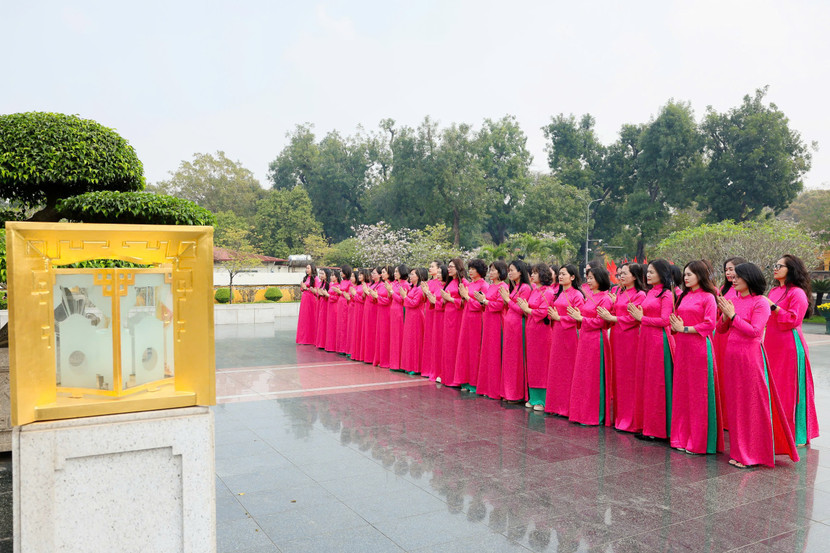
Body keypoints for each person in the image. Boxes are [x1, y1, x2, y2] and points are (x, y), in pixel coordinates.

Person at [717, 262, 798, 467]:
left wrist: (733, 315)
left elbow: (755, 331)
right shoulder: (733, 300)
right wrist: (726, 315)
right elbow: (720, 330)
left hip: (750, 358)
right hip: (732, 357)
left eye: (737, 277)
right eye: (732, 277)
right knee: (736, 406)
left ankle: (752, 455)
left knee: (750, 405)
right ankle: (739, 451)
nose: (733, 280)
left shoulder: (761, 302)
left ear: (749, 278)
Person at [668, 260, 722, 454]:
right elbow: (676, 321)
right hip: (682, 347)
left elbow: (710, 325)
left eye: (690, 274)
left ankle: (699, 441)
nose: (686, 277)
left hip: (699, 347)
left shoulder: (709, 297)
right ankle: (681, 437)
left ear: (700, 275)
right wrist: (676, 328)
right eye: (685, 274)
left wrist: (685, 328)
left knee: (699, 394)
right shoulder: (682, 296)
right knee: (682, 392)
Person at [765, 254, 819, 445]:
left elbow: (793, 320)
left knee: (790, 389)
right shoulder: (772, 291)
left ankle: (796, 434)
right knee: (774, 388)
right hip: (771, 344)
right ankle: (776, 431)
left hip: (789, 345)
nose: (775, 268)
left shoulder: (797, 293)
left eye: (780, 266)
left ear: (791, 270)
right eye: (775, 265)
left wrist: (774, 308)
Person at [598, 262, 646, 432]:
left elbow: (634, 319)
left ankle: (631, 420)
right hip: (618, 337)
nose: (621, 276)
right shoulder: (620, 292)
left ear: (635, 276)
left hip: (631, 338)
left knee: (629, 377)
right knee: (618, 376)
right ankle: (620, 417)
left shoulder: (640, 295)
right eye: (620, 274)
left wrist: (613, 318)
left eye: (625, 273)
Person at [631, 259, 675, 439]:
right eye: (647, 272)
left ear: (662, 273)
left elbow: (665, 320)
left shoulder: (666, 295)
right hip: (646, 339)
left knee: (657, 384)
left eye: (652, 272)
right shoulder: (650, 293)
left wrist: (642, 318)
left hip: (659, 341)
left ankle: (658, 430)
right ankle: (646, 425)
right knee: (646, 381)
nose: (648, 275)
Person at [568, 265, 613, 426]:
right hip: (585, 339)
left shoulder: (605, 298)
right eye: (588, 277)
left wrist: (581, 319)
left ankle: (595, 414)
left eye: (592, 277)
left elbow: (601, 322)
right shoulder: (590, 296)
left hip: (596, 341)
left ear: (600, 279)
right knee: (583, 376)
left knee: (594, 377)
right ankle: (581, 412)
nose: (588, 280)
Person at [544, 265, 585, 417]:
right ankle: (556, 405)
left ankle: (567, 407)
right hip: (557, 334)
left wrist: (559, 318)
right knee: (557, 369)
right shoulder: (559, 293)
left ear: (572, 277)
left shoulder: (577, 295)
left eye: (564, 274)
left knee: (568, 370)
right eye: (559, 274)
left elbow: (578, 318)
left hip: (570, 335)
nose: (560, 277)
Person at [714, 256, 746, 429]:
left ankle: (731, 417)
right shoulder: (723, 290)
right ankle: (722, 416)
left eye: (732, 269)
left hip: (735, 335)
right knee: (721, 374)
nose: (728, 273)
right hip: (721, 333)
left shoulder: (742, 291)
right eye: (726, 269)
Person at [516, 263, 553, 411]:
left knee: (541, 364)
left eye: (535, 273)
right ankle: (533, 396)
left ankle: (542, 399)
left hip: (542, 331)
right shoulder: (534, 291)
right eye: (532, 272)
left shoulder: (548, 292)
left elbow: (543, 311)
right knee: (532, 363)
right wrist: (526, 309)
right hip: (531, 330)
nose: (532, 275)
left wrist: (527, 309)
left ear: (543, 274)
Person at [452, 259, 489, 391]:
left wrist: (466, 297)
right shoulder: (470, 285)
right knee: (465, 349)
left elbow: (481, 305)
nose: (471, 271)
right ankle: (465, 380)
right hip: (466, 318)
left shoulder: (484, 285)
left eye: (473, 269)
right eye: (470, 269)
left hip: (476, 320)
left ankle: (474, 382)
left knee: (474, 350)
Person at [499, 260, 532, 403]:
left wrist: (507, 300)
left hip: (518, 326)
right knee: (509, 358)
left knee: (516, 359)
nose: (509, 273)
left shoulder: (525, 288)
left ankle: (516, 393)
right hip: (509, 326)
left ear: (520, 271)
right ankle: (508, 392)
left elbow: (521, 310)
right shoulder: (513, 287)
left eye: (512, 270)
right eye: (509, 270)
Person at [475, 261, 508, 400]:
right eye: (491, 270)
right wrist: (483, 301)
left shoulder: (503, 286)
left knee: (495, 353)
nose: (491, 272)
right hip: (488, 321)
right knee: (487, 352)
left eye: (494, 270)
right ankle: (486, 387)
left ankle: (495, 389)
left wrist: (485, 301)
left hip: (497, 322)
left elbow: (500, 305)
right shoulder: (491, 286)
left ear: (501, 272)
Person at [440, 258, 467, 386]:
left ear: (458, 268)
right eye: (448, 267)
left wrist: (450, 299)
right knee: (448, 345)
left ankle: (456, 379)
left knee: (455, 345)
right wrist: (445, 300)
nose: (449, 269)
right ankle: (447, 376)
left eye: (452, 267)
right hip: (448, 315)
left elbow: (464, 302)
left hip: (457, 316)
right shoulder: (449, 282)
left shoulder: (463, 283)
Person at [424, 263, 450, 382]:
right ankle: (434, 370)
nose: (438, 275)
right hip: (435, 314)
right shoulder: (435, 284)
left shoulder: (447, 285)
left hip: (445, 316)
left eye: (440, 272)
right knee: (435, 342)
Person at [401, 268, 429, 375]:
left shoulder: (420, 289)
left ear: (418, 276)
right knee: (409, 341)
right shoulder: (412, 288)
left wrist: (404, 297)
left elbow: (414, 303)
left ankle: (416, 366)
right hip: (409, 316)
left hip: (417, 316)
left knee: (415, 341)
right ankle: (409, 365)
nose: (410, 276)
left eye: (412, 274)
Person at [388, 264, 411, 371]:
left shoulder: (405, 285)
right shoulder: (395, 284)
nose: (395, 273)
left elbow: (402, 300)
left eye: (397, 271)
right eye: (395, 271)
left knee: (398, 336)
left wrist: (392, 292)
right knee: (393, 337)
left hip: (399, 311)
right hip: (393, 311)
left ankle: (399, 364)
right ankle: (393, 363)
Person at [361, 268, 381, 363]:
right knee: (367, 332)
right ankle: (367, 355)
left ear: (379, 275)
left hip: (374, 310)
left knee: (372, 332)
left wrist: (368, 293)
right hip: (367, 309)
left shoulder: (380, 285)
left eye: (374, 273)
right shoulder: (371, 284)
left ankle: (371, 356)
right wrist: (366, 292)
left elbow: (375, 299)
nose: (372, 275)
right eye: (372, 273)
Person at [374, 266, 394, 367]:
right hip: (380, 311)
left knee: (386, 335)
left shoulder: (391, 285)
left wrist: (377, 297)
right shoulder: (381, 285)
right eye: (381, 272)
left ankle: (386, 360)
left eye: (383, 272)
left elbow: (388, 301)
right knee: (381, 335)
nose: (382, 274)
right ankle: (381, 358)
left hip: (388, 312)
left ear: (389, 274)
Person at [296, 263, 319, 345]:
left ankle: (311, 339)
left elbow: (316, 290)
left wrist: (307, 288)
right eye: (306, 268)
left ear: (312, 269)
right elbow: (302, 289)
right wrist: (302, 287)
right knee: (304, 318)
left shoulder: (315, 278)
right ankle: (303, 338)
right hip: (304, 299)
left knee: (310, 318)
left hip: (311, 299)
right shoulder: (306, 278)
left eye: (308, 268)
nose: (307, 270)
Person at [336, 265, 353, 354]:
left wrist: (341, 292)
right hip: (340, 303)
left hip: (345, 304)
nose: (341, 273)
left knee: (344, 325)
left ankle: (345, 348)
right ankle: (340, 347)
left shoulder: (350, 282)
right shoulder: (342, 282)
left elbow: (349, 295)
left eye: (342, 271)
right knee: (340, 325)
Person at [325, 269, 340, 352]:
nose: (331, 277)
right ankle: (329, 345)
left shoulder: (338, 286)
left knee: (334, 325)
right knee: (330, 325)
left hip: (335, 307)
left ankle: (333, 346)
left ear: (337, 277)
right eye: (330, 275)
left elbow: (337, 298)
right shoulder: (331, 284)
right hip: (330, 306)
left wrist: (328, 296)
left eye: (332, 275)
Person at [315, 268, 330, 349]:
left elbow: (329, 295)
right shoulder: (320, 283)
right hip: (321, 304)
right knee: (321, 323)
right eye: (319, 273)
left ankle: (324, 343)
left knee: (324, 323)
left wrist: (324, 294)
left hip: (326, 305)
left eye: (322, 274)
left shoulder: (329, 284)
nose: (320, 275)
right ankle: (320, 342)